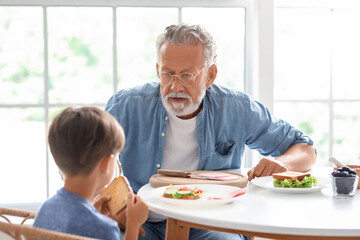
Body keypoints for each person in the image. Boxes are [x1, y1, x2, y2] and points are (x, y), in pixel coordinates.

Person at [105, 24, 317, 240]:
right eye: (168, 74)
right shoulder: (126, 106)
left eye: (187, 75)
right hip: (143, 221)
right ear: (158, 70)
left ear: (210, 75)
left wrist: (285, 164)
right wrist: (105, 207)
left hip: (211, 222)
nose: (175, 86)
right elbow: (85, 163)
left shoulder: (237, 108)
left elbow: (305, 149)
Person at [33, 107, 149, 240]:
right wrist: (133, 225)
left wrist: (93, 212)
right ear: (106, 163)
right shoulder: (104, 229)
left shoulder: (46, 209)